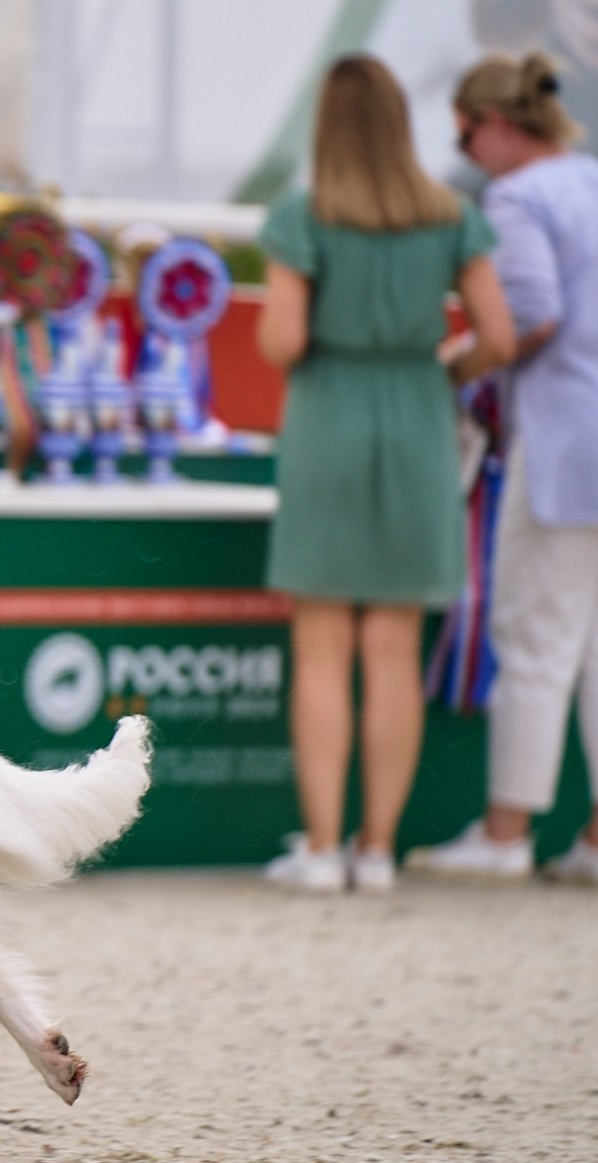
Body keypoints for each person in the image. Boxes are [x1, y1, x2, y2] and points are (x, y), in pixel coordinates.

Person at [255, 54, 514, 893]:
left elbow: (284, 342)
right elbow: (500, 338)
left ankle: (322, 850)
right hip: (416, 422)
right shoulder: (450, 215)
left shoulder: (303, 216)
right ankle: (377, 849)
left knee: (324, 645)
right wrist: (441, 365)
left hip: (329, 417)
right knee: (394, 648)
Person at [408, 53, 598, 884]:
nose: (464, 148)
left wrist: (457, 363)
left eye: (465, 130)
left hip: (562, 442)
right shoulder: (592, 181)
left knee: (536, 638)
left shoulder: (518, 198)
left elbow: (530, 315)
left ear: (498, 124)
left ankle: (507, 829)